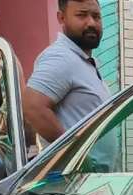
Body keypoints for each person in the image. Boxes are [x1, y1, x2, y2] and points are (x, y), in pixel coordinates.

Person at [23, 0, 111, 145]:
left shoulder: (82, 60)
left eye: (96, 16)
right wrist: (73, 152)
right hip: (75, 168)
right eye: (81, 15)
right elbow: (32, 107)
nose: (91, 23)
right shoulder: (61, 57)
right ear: (61, 18)